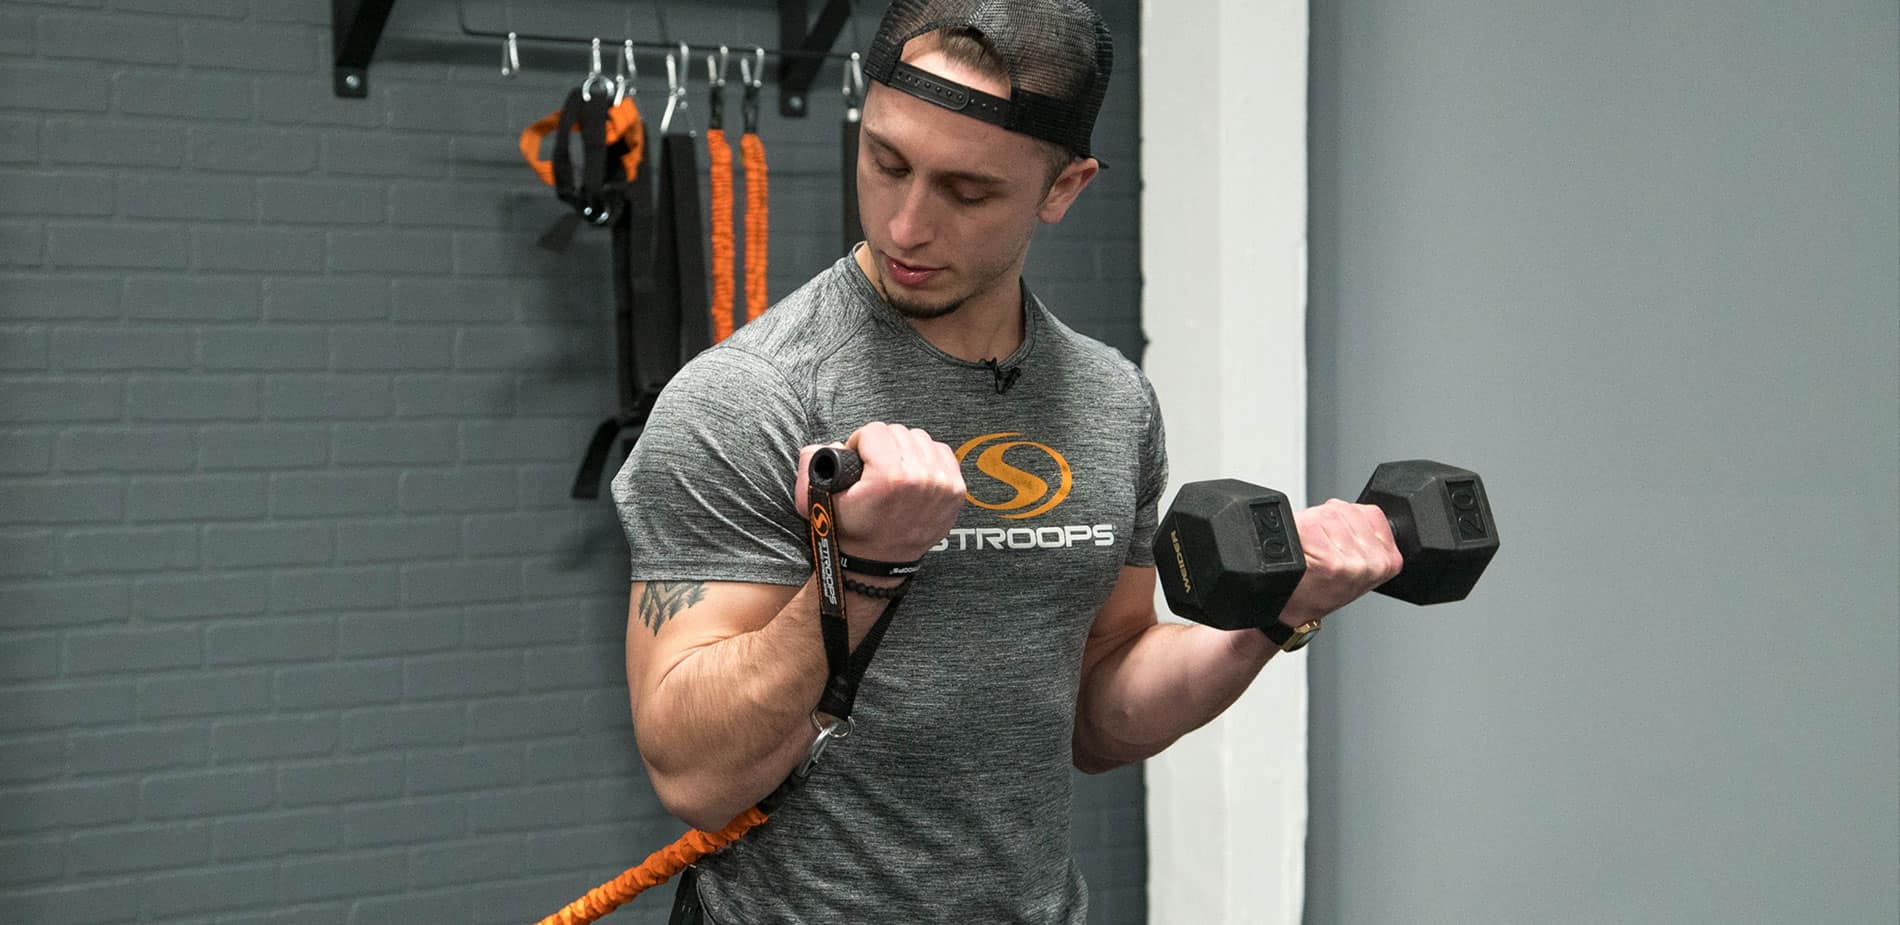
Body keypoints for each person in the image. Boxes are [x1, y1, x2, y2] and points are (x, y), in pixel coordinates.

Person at [610, 1, 1402, 921]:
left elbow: (1100, 713)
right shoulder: (747, 397)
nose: (906, 225)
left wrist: (1272, 618)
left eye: (967, 190)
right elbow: (696, 776)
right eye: (885, 161)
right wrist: (862, 569)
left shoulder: (1110, 402)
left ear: (1063, 189)